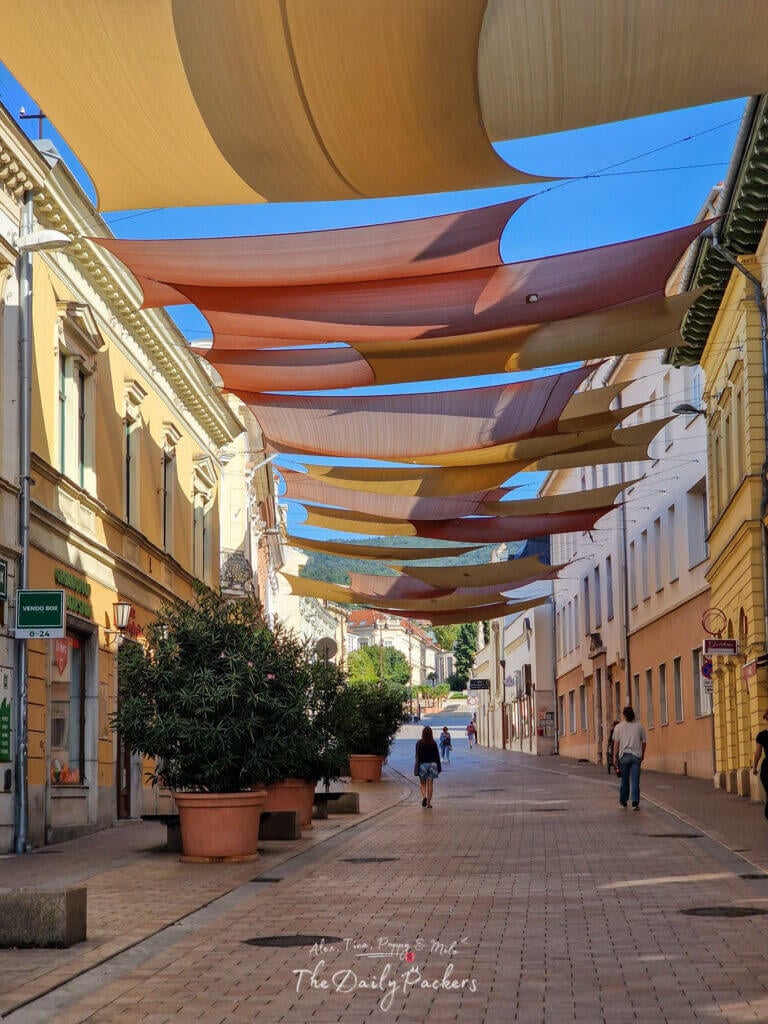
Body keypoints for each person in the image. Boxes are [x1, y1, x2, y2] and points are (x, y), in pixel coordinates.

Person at [612, 706, 647, 810]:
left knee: (625, 780)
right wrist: (642, 754)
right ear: (633, 714)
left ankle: (623, 801)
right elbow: (644, 742)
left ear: (623, 715)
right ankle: (635, 803)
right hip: (636, 756)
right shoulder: (639, 726)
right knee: (635, 780)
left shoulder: (618, 727)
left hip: (624, 756)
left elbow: (616, 743)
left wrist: (615, 757)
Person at [415, 726, 441, 807]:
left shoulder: (419, 743)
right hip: (432, 765)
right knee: (430, 784)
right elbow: (437, 756)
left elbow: (417, 755)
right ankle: (429, 803)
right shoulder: (433, 743)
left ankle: (424, 797)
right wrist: (439, 767)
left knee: (423, 784)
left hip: (422, 765)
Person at [751, 709, 768, 820]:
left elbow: (758, 753)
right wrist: (755, 767)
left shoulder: (762, 735)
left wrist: (755, 767)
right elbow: (758, 752)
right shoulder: (762, 735)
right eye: (767, 718)